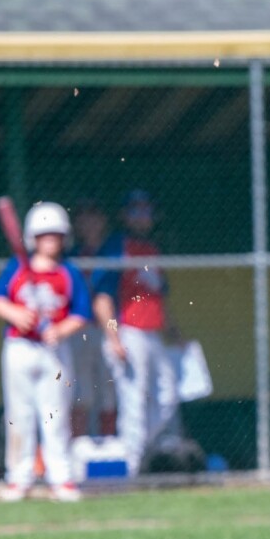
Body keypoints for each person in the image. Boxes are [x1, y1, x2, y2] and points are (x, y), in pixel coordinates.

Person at [0, 201, 92, 502]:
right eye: (45, 236)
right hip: (20, 346)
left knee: (55, 415)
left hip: (54, 350)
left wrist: (59, 330)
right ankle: (19, 478)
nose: (51, 241)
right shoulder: (17, 268)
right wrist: (16, 314)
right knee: (19, 415)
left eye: (56, 236)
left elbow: (80, 313)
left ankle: (61, 477)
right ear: (32, 239)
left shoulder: (68, 272)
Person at [92, 189, 180, 476]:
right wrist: (113, 336)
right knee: (134, 401)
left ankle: (145, 453)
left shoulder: (153, 246)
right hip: (128, 331)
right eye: (135, 210)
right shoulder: (117, 245)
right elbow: (103, 296)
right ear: (124, 215)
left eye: (146, 210)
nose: (142, 216)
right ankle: (131, 467)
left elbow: (158, 296)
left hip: (153, 333)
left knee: (167, 398)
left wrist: (172, 329)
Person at [68, 199, 116, 438]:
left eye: (94, 216)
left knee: (110, 390)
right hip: (79, 329)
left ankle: (111, 445)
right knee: (82, 391)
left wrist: (114, 333)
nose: (89, 223)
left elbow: (108, 299)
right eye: (83, 218)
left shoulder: (113, 250)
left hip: (112, 328)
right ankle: (79, 445)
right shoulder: (72, 255)